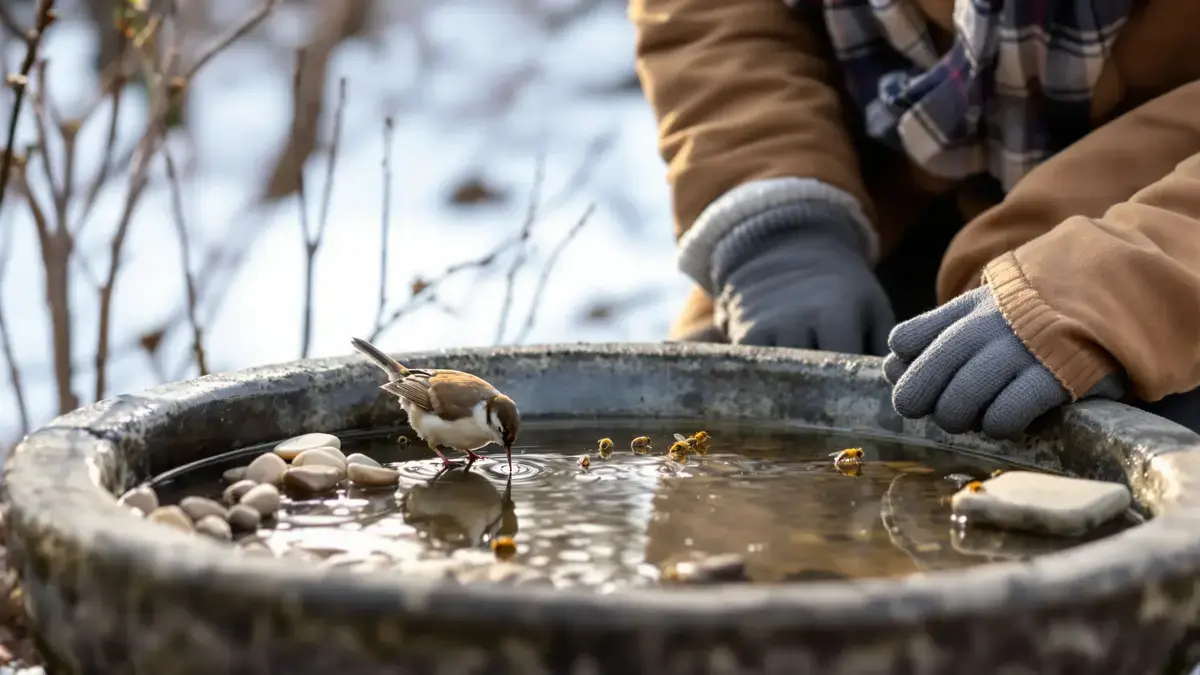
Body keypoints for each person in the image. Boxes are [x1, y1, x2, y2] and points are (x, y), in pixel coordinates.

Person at [630, 0, 1200, 436]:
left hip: (1159, 226)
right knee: (719, 490)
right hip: (871, 196)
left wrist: (1126, 287)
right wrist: (779, 223)